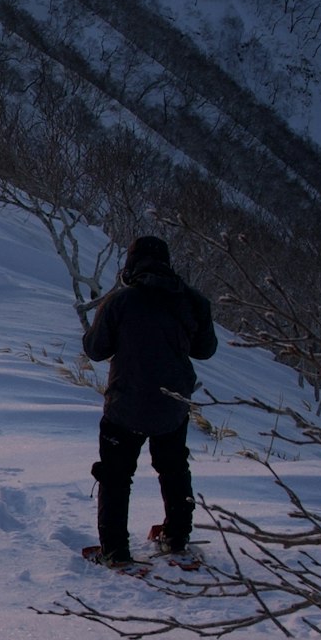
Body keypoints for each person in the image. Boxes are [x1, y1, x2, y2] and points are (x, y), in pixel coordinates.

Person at [79, 234, 219, 566]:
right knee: (173, 469)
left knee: (116, 476)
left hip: (125, 406)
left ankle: (115, 552)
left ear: (131, 266)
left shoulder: (120, 302)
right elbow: (206, 350)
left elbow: (96, 351)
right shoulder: (192, 301)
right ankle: (176, 537)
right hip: (172, 405)